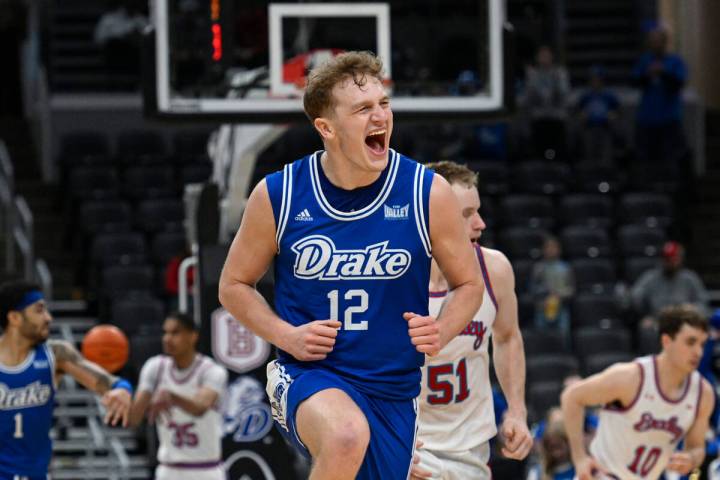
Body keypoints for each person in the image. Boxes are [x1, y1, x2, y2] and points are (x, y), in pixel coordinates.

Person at [218, 51, 484, 480]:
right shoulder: (280, 194)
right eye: (363, 108)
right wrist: (287, 335)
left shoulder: (426, 192)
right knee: (346, 435)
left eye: (383, 103)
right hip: (307, 374)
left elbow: (469, 284)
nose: (380, 116)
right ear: (326, 127)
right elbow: (232, 285)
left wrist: (441, 328)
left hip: (392, 386)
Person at [411, 161, 532, 479]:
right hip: (412, 447)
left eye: (477, 211)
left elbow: (508, 337)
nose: (480, 224)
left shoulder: (495, 269)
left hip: (471, 448)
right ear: (430, 218)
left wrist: (516, 411)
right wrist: (385, 444)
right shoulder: (391, 278)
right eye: (465, 214)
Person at [561, 304, 714, 480]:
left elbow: (697, 447)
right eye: (690, 342)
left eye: (702, 344)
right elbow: (571, 397)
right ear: (666, 341)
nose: (699, 352)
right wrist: (579, 458)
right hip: (602, 475)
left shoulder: (703, 393)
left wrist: (691, 458)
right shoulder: (631, 377)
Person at [0, 280, 133, 480]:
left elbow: (107, 382)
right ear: (15, 317)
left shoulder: (56, 354)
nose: (48, 318)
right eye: (39, 311)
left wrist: (122, 389)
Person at [129, 312, 228, 480]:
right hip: (169, 470)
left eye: (175, 333)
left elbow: (200, 408)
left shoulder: (212, 371)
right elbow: (134, 418)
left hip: (206, 470)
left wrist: (171, 396)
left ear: (192, 336)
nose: (167, 338)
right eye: (165, 333)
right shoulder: (154, 367)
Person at [632, 26, 688, 172]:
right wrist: (648, 74)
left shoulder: (675, 61)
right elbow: (634, 81)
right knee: (645, 161)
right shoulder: (645, 60)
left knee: (669, 160)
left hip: (668, 119)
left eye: (657, 41)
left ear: (664, 42)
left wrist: (663, 72)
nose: (655, 44)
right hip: (647, 119)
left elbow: (678, 83)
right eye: (652, 41)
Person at [631, 241, 710, 329]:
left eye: (674, 258)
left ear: (680, 258)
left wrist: (691, 309)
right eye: (667, 259)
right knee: (646, 328)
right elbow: (636, 298)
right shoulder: (650, 277)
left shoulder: (690, 278)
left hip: (684, 323)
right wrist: (646, 316)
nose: (671, 262)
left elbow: (703, 304)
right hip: (657, 322)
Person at [529, 235, 574, 346]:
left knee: (563, 336)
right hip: (542, 306)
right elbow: (533, 288)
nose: (551, 250)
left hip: (561, 306)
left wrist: (559, 295)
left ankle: (564, 354)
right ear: (543, 250)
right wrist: (544, 295)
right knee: (541, 337)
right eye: (548, 247)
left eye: (554, 247)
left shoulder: (566, 268)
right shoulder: (538, 268)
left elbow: (571, 289)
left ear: (559, 250)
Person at [575, 65, 621, 165]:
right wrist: (582, 115)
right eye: (593, 79)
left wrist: (613, 115)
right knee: (589, 153)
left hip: (605, 128)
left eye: (597, 79)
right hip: (589, 128)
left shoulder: (609, 95)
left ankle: (606, 176)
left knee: (605, 155)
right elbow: (579, 111)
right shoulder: (586, 95)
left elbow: (618, 110)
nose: (595, 82)